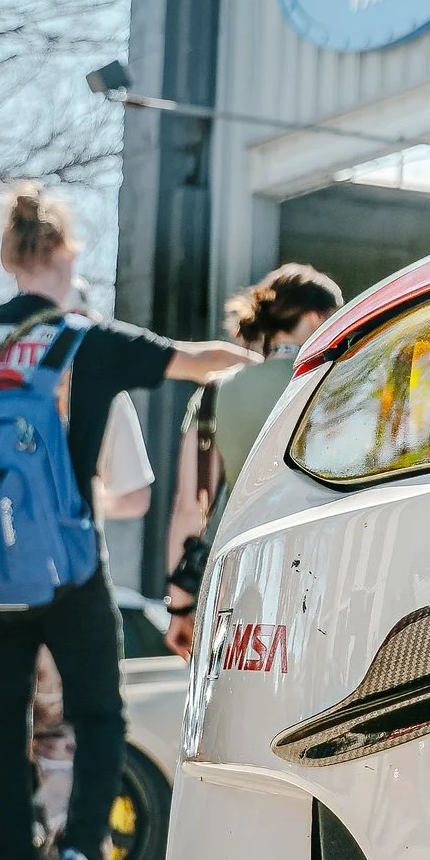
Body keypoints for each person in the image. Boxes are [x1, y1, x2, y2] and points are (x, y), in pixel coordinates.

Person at [0, 184, 251, 860]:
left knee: (5, 732)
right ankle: (80, 855)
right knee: (99, 714)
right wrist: (271, 366)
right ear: (66, 255)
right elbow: (196, 362)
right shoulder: (87, 340)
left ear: (8, 260)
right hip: (73, 567)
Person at [163, 261, 342, 653]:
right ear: (315, 317)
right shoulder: (339, 385)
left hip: (242, 587)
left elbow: (190, 509)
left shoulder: (214, 392)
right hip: (325, 584)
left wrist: (179, 606)